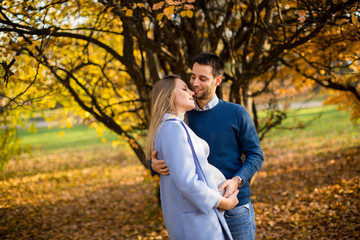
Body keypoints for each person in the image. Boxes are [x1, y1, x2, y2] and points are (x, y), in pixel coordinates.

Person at [150, 53, 264, 240]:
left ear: (217, 80)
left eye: (203, 78)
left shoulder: (236, 113)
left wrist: (237, 180)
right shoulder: (181, 116)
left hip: (236, 206)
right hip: (203, 211)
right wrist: (153, 165)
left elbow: (255, 155)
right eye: (193, 77)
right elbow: (170, 158)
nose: (195, 83)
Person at [146, 75, 239, 240]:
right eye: (183, 88)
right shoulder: (173, 128)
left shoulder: (175, 126)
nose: (192, 92)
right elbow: (187, 182)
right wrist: (223, 202)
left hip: (199, 216)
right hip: (197, 222)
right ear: (168, 97)